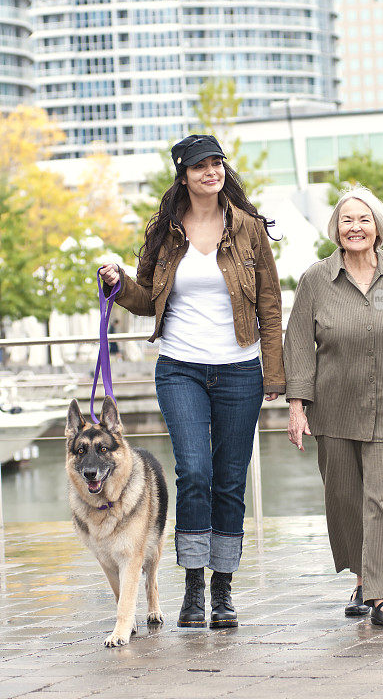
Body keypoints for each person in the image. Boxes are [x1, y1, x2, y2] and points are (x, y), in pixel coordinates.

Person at [100, 134, 285, 629]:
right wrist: (117, 284)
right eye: (200, 166)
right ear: (183, 174)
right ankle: (191, 584)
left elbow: (269, 302)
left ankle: (221, 589)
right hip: (180, 365)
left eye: (217, 164)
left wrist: (276, 372)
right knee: (195, 472)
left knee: (228, 480)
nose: (212, 172)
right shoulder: (163, 232)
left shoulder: (247, 229)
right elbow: (146, 300)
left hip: (240, 369)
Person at [283, 186, 383, 629]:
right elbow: (298, 347)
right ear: (336, 228)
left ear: (378, 228)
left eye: (364, 220)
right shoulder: (316, 279)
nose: (355, 228)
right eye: (347, 220)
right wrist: (297, 407)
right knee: (346, 500)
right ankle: (363, 579)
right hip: (333, 409)